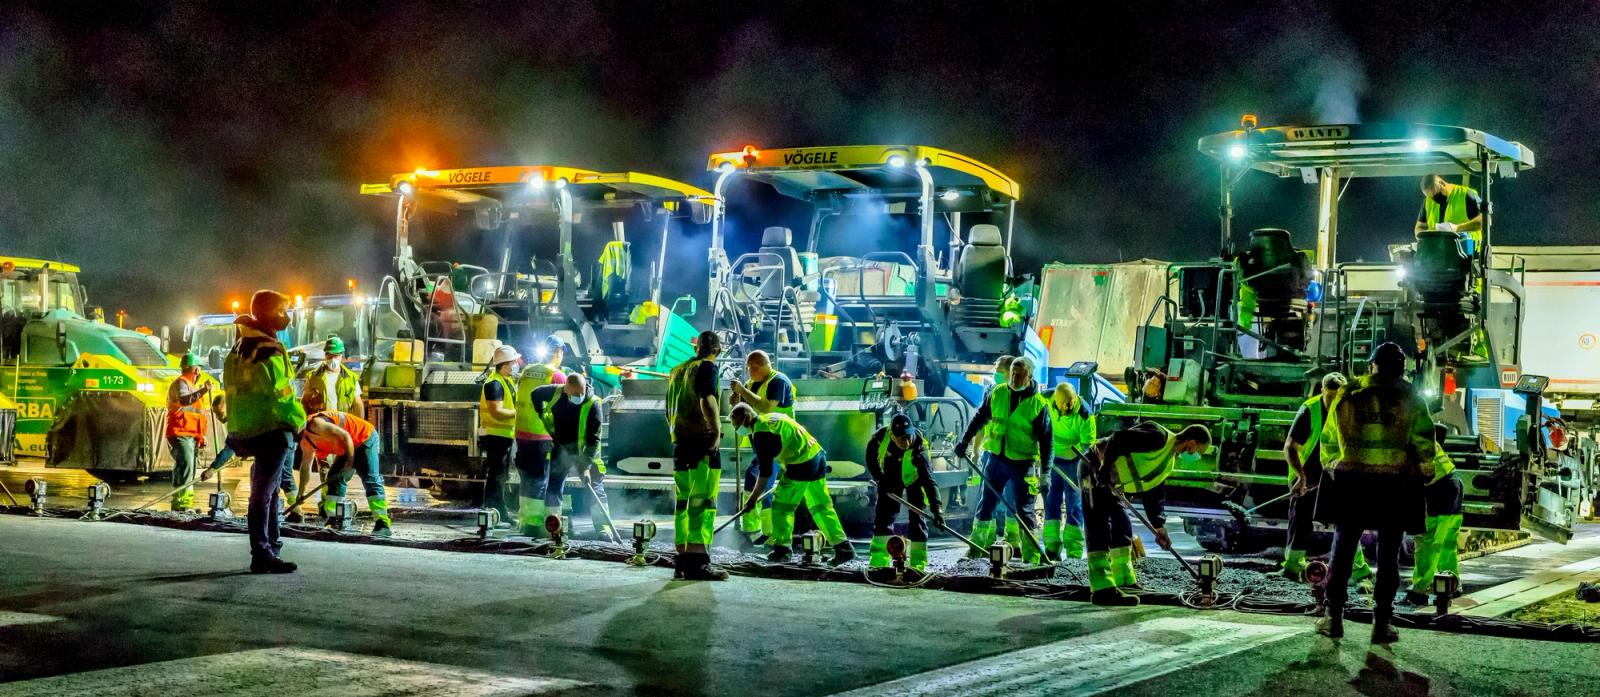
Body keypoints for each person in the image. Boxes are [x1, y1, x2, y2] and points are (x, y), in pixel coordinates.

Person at [1317, 342, 1446, 644]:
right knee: (1388, 557)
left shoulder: (1348, 393)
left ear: (1371, 364)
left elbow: (1329, 440)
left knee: (1342, 553)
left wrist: (1335, 466)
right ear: (1401, 368)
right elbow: (1424, 443)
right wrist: (1425, 471)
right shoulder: (1411, 396)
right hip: (1395, 486)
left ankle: (1333, 618)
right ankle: (1381, 624)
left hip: (1353, 483)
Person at [224, 290, 308, 574]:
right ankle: (263, 552)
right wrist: (300, 422)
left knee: (268, 493)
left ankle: (270, 550)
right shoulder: (268, 350)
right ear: (269, 313)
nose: (287, 317)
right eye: (283, 311)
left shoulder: (238, 349)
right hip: (273, 429)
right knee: (263, 494)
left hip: (246, 429)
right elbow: (281, 395)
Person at [1083, 422, 1212, 606]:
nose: (1197, 456)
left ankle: (1124, 582)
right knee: (1099, 525)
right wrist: (1105, 466)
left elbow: (1154, 494)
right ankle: (1102, 589)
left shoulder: (1168, 461)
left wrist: (1159, 527)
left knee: (1122, 525)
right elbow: (1118, 439)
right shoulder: (1158, 437)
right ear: (1191, 443)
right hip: (1094, 469)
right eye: (1199, 451)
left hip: (1112, 482)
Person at [955, 356, 1052, 563]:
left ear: (1029, 376)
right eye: (1013, 374)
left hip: (1022, 463)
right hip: (996, 459)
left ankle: (1032, 556)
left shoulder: (1038, 404)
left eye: (1019, 375)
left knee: (1024, 510)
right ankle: (977, 547)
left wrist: (1045, 474)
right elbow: (979, 418)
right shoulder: (997, 393)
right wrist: (964, 441)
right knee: (986, 505)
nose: (1014, 378)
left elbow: (1047, 442)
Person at [730, 404, 854, 565]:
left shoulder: (761, 433)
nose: (737, 430)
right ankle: (844, 548)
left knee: (782, 507)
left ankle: (782, 551)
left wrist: (752, 499)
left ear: (746, 418)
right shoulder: (770, 418)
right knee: (821, 507)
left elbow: (765, 473)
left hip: (801, 463)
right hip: (816, 455)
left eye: (737, 425)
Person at [666, 330, 728, 581]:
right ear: (718, 350)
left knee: (684, 502)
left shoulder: (677, 371)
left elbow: (668, 408)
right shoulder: (707, 367)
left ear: (696, 348)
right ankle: (698, 562)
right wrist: (716, 431)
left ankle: (682, 560)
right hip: (702, 442)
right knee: (702, 501)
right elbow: (707, 400)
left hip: (680, 443)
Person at [1281, 372, 1348, 580]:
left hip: (1336, 473)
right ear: (1322, 391)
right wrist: (1301, 477)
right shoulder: (1310, 410)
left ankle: (1357, 571)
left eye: (1338, 397)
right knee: (1300, 518)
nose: (1334, 402)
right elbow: (1290, 447)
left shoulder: (1349, 409)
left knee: (1346, 521)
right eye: (1330, 396)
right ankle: (1292, 567)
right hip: (1307, 473)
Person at [729, 350, 795, 546]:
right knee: (757, 480)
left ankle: (768, 533)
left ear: (763, 365)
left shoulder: (778, 381)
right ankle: (755, 530)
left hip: (779, 443)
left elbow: (767, 407)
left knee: (760, 480)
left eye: (753, 368)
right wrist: (736, 401)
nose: (750, 372)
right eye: (749, 368)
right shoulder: (751, 384)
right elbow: (744, 410)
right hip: (762, 442)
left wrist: (742, 392)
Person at [541, 372, 613, 540]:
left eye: (582, 393)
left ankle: (603, 528)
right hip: (562, 449)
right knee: (555, 485)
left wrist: (585, 466)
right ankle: (556, 526)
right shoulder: (556, 393)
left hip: (586, 452)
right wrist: (539, 412)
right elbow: (535, 394)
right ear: (566, 389)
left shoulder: (594, 404)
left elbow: (593, 439)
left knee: (594, 485)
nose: (579, 396)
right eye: (575, 394)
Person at [297, 410, 391, 538]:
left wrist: (350, 462)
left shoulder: (316, 424)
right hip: (348, 445)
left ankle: (382, 523)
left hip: (364, 438)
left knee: (370, 479)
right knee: (334, 479)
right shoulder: (305, 442)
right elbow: (305, 468)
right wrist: (301, 492)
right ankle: (335, 518)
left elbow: (346, 436)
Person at [865, 414, 941, 571]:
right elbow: (870, 457)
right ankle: (878, 562)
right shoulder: (880, 438)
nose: (906, 442)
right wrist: (879, 479)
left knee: (917, 517)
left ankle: (917, 565)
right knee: (883, 517)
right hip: (890, 478)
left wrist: (937, 510)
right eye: (901, 439)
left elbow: (929, 482)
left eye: (908, 437)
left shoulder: (919, 450)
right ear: (892, 436)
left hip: (914, 479)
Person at [1406, 426, 1463, 606]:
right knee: (1446, 543)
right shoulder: (1414, 427)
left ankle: (1419, 591)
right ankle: (1452, 584)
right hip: (1452, 481)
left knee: (1426, 540)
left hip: (1435, 488)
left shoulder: (1397, 436)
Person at [1044, 381, 1096, 560]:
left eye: (1071, 403)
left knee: (1074, 505)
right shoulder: (1045, 400)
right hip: (1052, 460)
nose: (1067, 406)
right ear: (1055, 399)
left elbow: (1087, 448)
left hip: (1074, 462)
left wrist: (1083, 470)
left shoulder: (1085, 415)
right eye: (1063, 403)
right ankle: (1052, 547)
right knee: (1051, 502)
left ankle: (1074, 551)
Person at [512, 358, 564, 536]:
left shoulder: (526, 371)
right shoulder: (556, 375)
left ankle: (526, 521)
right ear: (558, 353)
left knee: (527, 479)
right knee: (541, 481)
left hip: (522, 433)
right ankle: (538, 525)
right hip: (543, 435)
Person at [165, 353, 218, 512]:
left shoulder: (191, 386)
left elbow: (196, 415)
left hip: (189, 434)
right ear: (195, 369)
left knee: (190, 467)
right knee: (186, 466)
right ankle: (181, 505)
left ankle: (185, 504)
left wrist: (201, 436)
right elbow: (184, 400)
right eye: (198, 368)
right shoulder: (182, 383)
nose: (199, 372)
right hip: (180, 432)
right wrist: (204, 390)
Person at [479, 345, 522, 527]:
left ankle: (496, 511)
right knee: (496, 476)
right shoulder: (494, 383)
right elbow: (496, 411)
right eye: (514, 362)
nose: (516, 364)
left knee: (499, 476)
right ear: (505, 364)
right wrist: (518, 413)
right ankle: (494, 510)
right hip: (495, 436)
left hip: (503, 435)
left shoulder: (506, 381)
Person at [1414, 174, 1484, 252]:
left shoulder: (1466, 195)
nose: (1435, 199)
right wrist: (1424, 240)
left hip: (1468, 252)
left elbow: (1485, 221)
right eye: (1431, 197)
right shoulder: (1428, 201)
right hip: (1439, 252)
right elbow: (1419, 227)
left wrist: (1457, 228)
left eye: (1436, 193)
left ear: (1442, 183)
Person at [302, 335, 364, 416]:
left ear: (341, 356)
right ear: (325, 356)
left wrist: (359, 423)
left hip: (343, 422)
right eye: (330, 355)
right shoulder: (312, 377)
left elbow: (358, 404)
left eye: (336, 355)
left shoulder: (351, 378)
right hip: (321, 422)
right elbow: (304, 402)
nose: (333, 359)